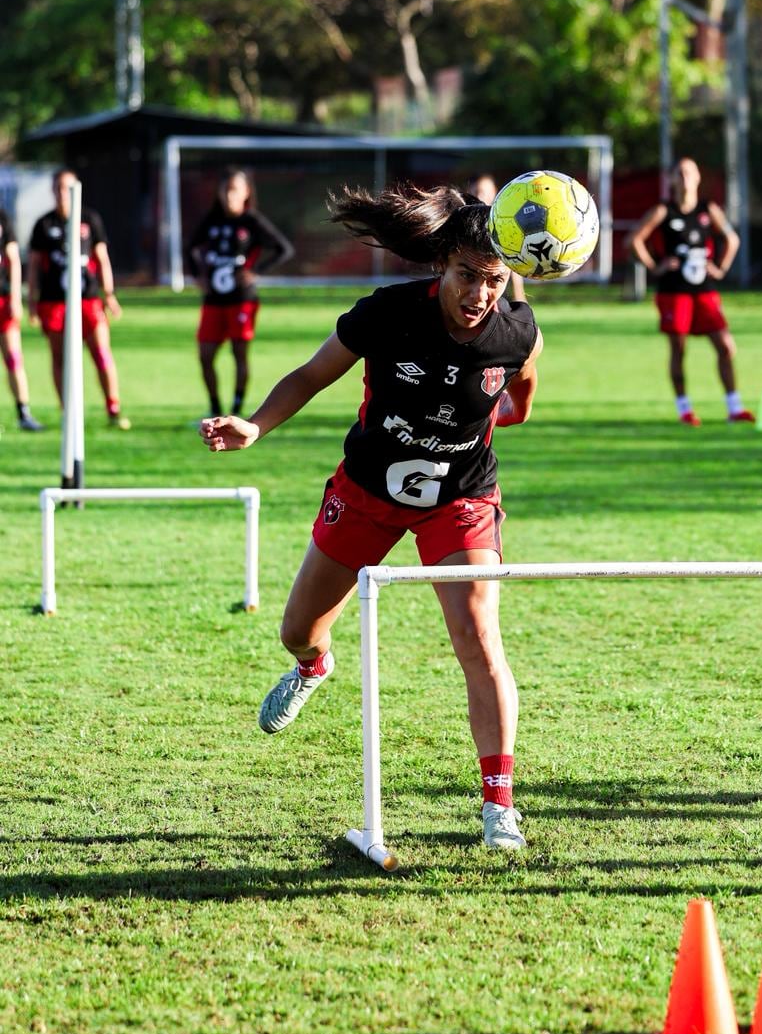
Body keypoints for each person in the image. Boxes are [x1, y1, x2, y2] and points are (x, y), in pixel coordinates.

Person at [199, 183, 542, 851]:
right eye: (467, 276)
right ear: (442, 264)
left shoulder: (515, 331)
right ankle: (312, 667)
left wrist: (505, 408)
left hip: (461, 498)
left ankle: (499, 804)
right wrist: (255, 426)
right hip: (366, 490)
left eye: (493, 281)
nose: (478, 294)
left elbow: (523, 391)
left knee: (478, 638)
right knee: (297, 629)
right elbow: (308, 375)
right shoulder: (387, 313)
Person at [626, 156, 754, 426]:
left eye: (689, 173)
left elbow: (732, 238)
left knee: (725, 346)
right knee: (679, 350)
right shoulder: (664, 210)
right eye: (679, 173)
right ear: (672, 180)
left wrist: (720, 267)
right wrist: (655, 266)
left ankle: (734, 407)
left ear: (698, 178)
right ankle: (685, 409)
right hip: (674, 291)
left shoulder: (708, 209)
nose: (685, 178)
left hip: (704, 290)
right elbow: (634, 240)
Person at [27, 169, 130, 429]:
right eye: (59, 188)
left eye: (68, 188)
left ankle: (113, 408)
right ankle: (68, 413)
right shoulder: (44, 225)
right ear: (52, 191)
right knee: (59, 358)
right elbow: (35, 265)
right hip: (54, 302)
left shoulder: (89, 219)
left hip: (88, 300)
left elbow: (102, 258)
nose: (63, 194)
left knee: (101, 353)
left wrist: (109, 295)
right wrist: (32, 300)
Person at [187, 168, 294, 418]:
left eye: (234, 189)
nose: (229, 195)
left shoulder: (251, 222)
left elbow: (282, 248)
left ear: (246, 193)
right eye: (225, 189)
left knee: (239, 354)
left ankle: (235, 409)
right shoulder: (211, 220)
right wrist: (197, 275)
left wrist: (256, 271)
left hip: (241, 300)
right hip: (213, 300)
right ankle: (214, 407)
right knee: (205, 355)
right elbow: (191, 247)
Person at [0, 205, 44, 430]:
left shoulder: (2, 217)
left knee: (13, 358)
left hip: (2, 300)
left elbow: (13, 259)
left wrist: (15, 298)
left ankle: (24, 413)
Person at [465, 173, 527, 302]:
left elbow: (513, 262)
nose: (480, 197)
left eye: (485, 192)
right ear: (468, 192)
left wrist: (519, 298)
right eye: (476, 191)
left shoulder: (504, 224)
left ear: (495, 193)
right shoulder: (462, 223)